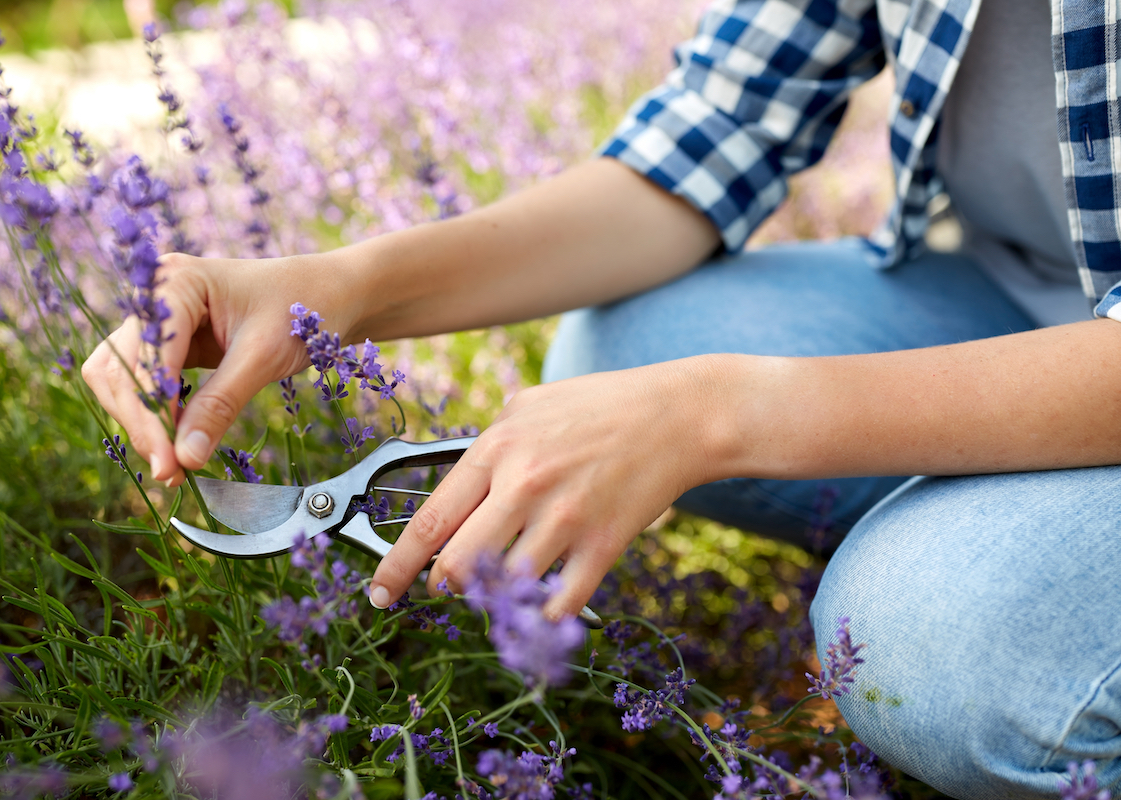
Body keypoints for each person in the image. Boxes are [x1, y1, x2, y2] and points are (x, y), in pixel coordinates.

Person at [83, 0, 1121, 796]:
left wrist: (716, 413)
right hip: (1035, 285)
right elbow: (713, 134)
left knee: (921, 636)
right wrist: (339, 288)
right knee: (622, 344)